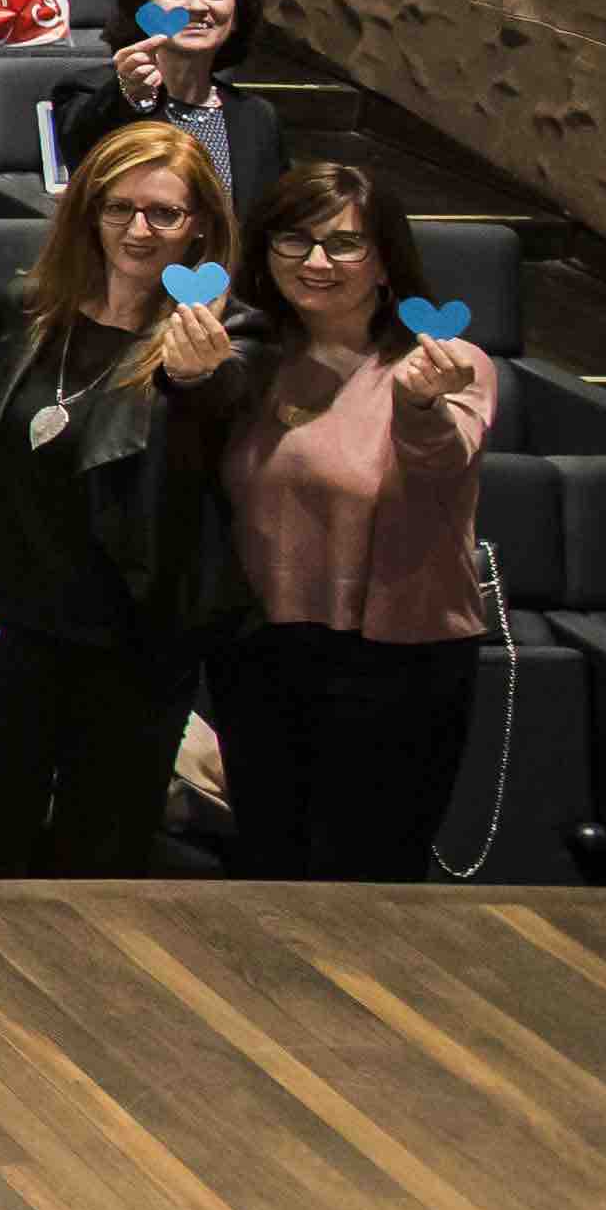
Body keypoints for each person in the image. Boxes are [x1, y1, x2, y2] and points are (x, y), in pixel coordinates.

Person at [0, 123, 246, 877]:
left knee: (100, 865)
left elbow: (219, 446)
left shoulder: (227, 337)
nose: (138, 229)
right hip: (5, 628)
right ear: (88, 210)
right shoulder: (26, 308)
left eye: (163, 213)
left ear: (199, 221)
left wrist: (201, 381)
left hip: (131, 647)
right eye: (118, 206)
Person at [210, 164, 496, 882]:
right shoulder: (246, 359)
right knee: (270, 870)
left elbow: (441, 464)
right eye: (295, 240)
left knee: (368, 886)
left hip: (400, 662)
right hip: (263, 655)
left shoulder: (448, 363)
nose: (315, 262)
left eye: (344, 244)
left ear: (385, 260)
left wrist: (420, 407)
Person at [49, 0, 281, 222]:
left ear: (237, 17)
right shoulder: (89, 91)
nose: (195, 6)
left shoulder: (257, 116)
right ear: (141, 9)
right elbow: (82, 154)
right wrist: (127, 95)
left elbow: (271, 221)